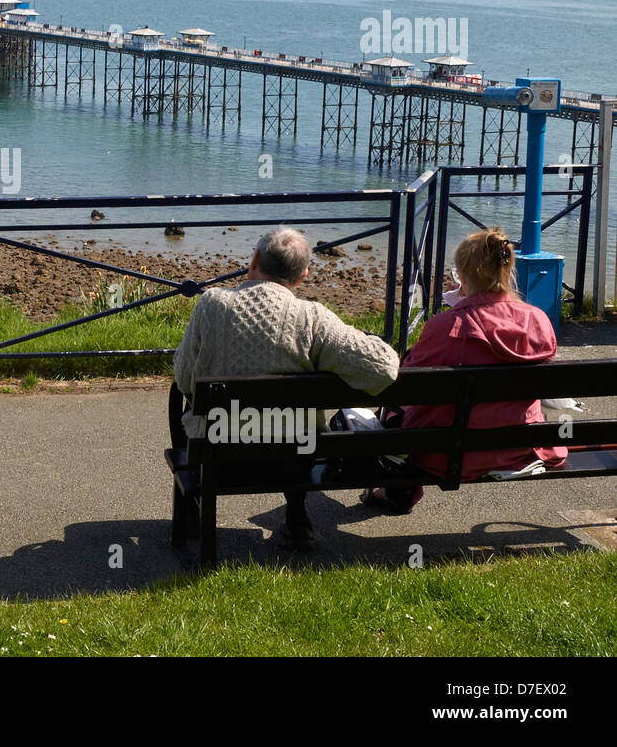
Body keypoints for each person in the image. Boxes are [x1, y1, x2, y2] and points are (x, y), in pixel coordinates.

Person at [172, 227, 400, 550]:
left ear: (254, 259)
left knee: (193, 405)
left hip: (219, 449)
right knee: (292, 425)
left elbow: (183, 379)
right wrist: (367, 338)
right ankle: (296, 514)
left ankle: (196, 509)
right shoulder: (313, 319)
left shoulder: (211, 305)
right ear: (303, 275)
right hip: (291, 456)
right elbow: (384, 368)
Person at [363, 227, 566, 513]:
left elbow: (407, 383)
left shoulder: (448, 326)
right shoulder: (539, 321)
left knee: (395, 415)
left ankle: (399, 491)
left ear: (462, 275)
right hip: (519, 446)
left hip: (447, 454)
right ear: (507, 270)